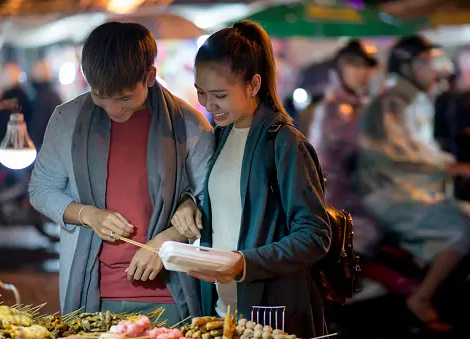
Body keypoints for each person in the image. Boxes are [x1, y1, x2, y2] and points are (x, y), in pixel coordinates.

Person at [29, 22, 215, 323]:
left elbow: (210, 203)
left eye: (125, 97)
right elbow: (41, 190)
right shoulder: (67, 119)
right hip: (94, 294)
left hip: (171, 295)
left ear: (150, 77)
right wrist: (90, 215)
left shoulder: (189, 126)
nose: (114, 109)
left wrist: (166, 241)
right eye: (101, 96)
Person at [171, 20, 331, 338]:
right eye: (201, 92)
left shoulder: (285, 143)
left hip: (269, 313)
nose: (207, 104)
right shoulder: (216, 138)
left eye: (219, 95)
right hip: (219, 310)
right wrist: (189, 203)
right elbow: (217, 198)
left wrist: (244, 263)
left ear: (253, 84)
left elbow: (315, 235)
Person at [356, 35, 470, 331]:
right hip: (388, 193)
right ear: (406, 66)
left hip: (414, 189)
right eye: (426, 62)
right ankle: (421, 297)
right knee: (464, 229)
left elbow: (425, 150)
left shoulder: (416, 100)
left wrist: (452, 165)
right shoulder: (391, 103)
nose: (433, 69)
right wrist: (450, 167)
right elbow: (396, 158)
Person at [309, 39, 381, 255]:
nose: (363, 72)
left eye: (367, 66)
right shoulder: (335, 107)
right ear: (340, 68)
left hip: (361, 188)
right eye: (354, 65)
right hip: (338, 196)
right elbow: (359, 148)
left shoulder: (358, 103)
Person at [28, 60, 63, 151]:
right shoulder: (53, 95)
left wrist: (31, 145)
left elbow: (38, 125)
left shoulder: (41, 97)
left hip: (44, 148)